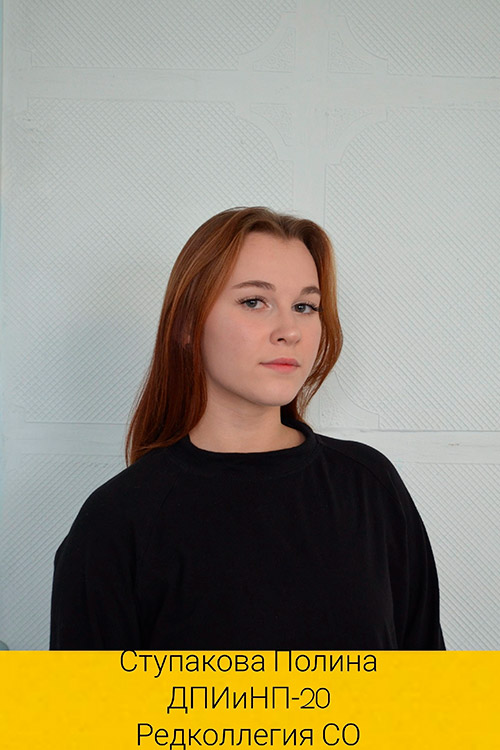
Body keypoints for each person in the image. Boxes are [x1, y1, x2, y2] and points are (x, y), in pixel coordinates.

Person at [50, 206, 445, 650]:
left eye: (305, 306)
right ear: (186, 324)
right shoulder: (116, 521)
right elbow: (87, 699)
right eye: (254, 301)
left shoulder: (370, 485)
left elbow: (426, 686)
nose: (290, 331)